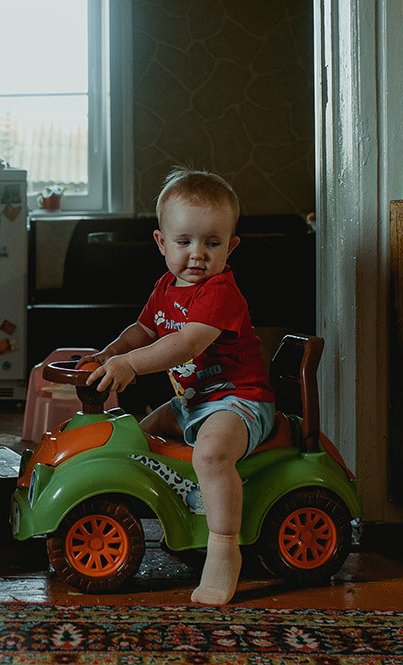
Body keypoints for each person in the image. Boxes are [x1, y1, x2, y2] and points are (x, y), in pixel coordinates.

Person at [81, 168, 275, 605]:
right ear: (161, 243)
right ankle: (184, 515)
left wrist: (131, 365)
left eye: (212, 243)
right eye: (184, 241)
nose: (197, 255)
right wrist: (112, 352)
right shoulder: (166, 286)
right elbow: (144, 330)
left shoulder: (220, 292)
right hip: (193, 400)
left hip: (237, 399)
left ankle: (224, 548)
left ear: (231, 247)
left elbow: (184, 344)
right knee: (139, 438)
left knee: (210, 453)